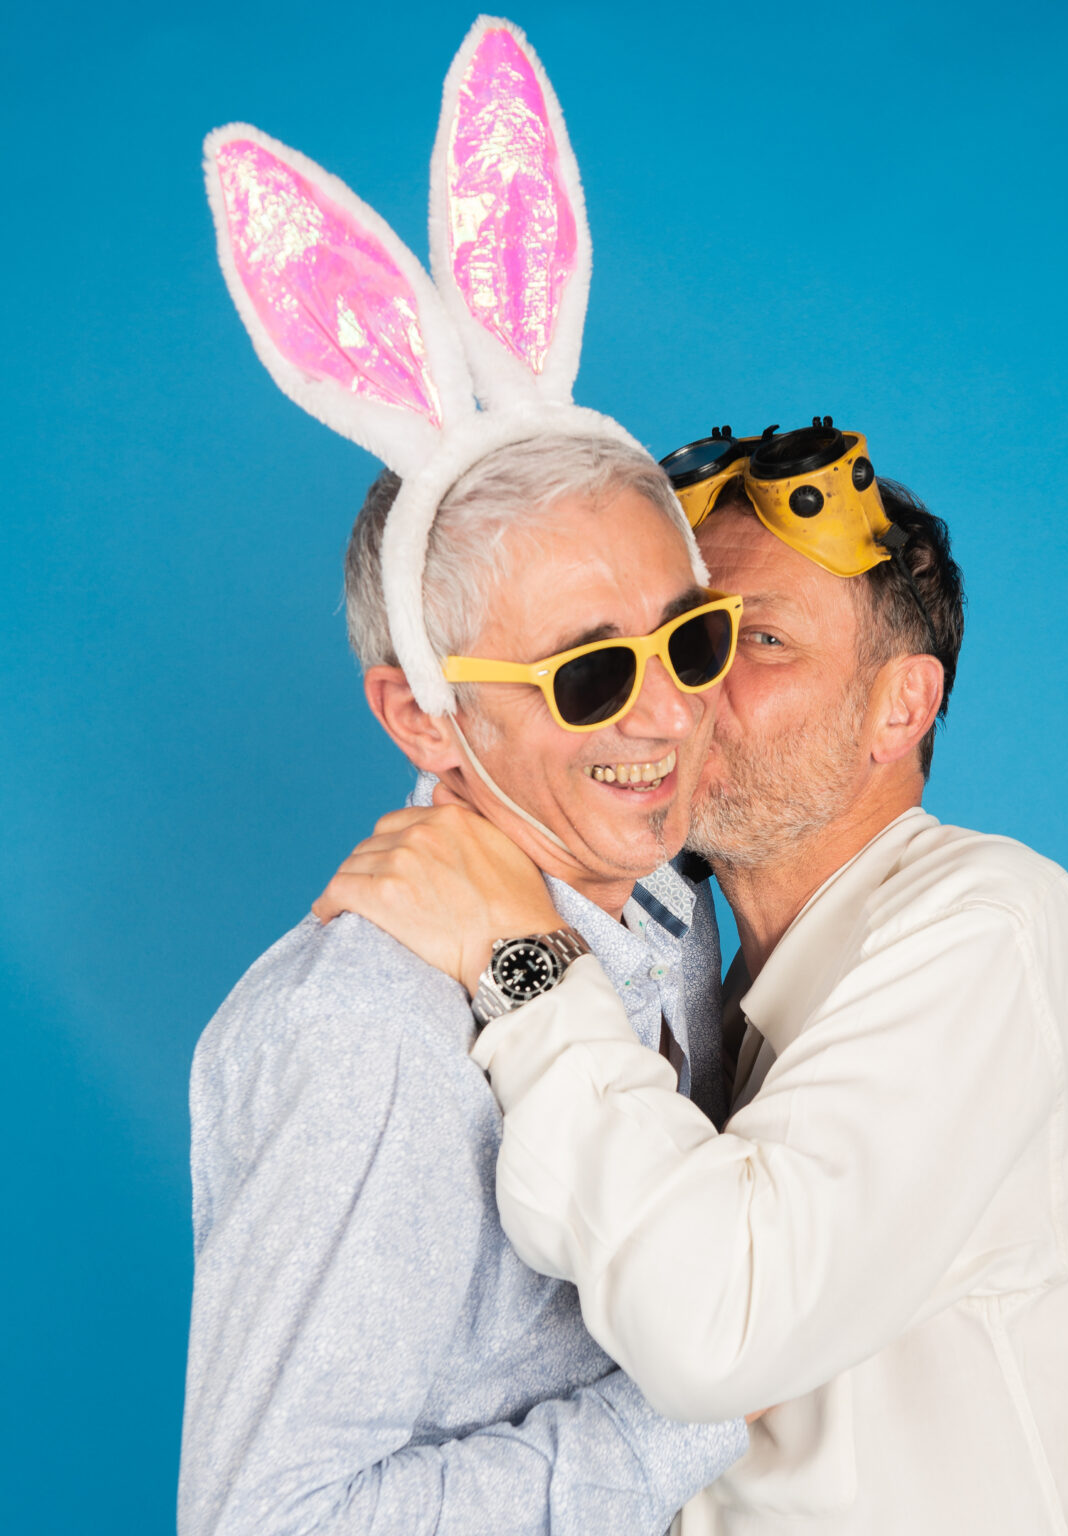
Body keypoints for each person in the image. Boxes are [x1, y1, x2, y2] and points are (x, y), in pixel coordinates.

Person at [316, 424, 1068, 1534]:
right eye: (692, 635)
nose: (677, 693)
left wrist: (520, 958)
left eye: (764, 643)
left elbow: (713, 1329)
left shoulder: (992, 926)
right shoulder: (706, 988)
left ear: (902, 707)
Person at [183, 20, 750, 1534]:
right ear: (423, 720)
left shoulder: (675, 913)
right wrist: (725, 1381)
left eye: (688, 638)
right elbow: (271, 1521)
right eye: (584, 672)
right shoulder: (367, 1034)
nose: (667, 714)